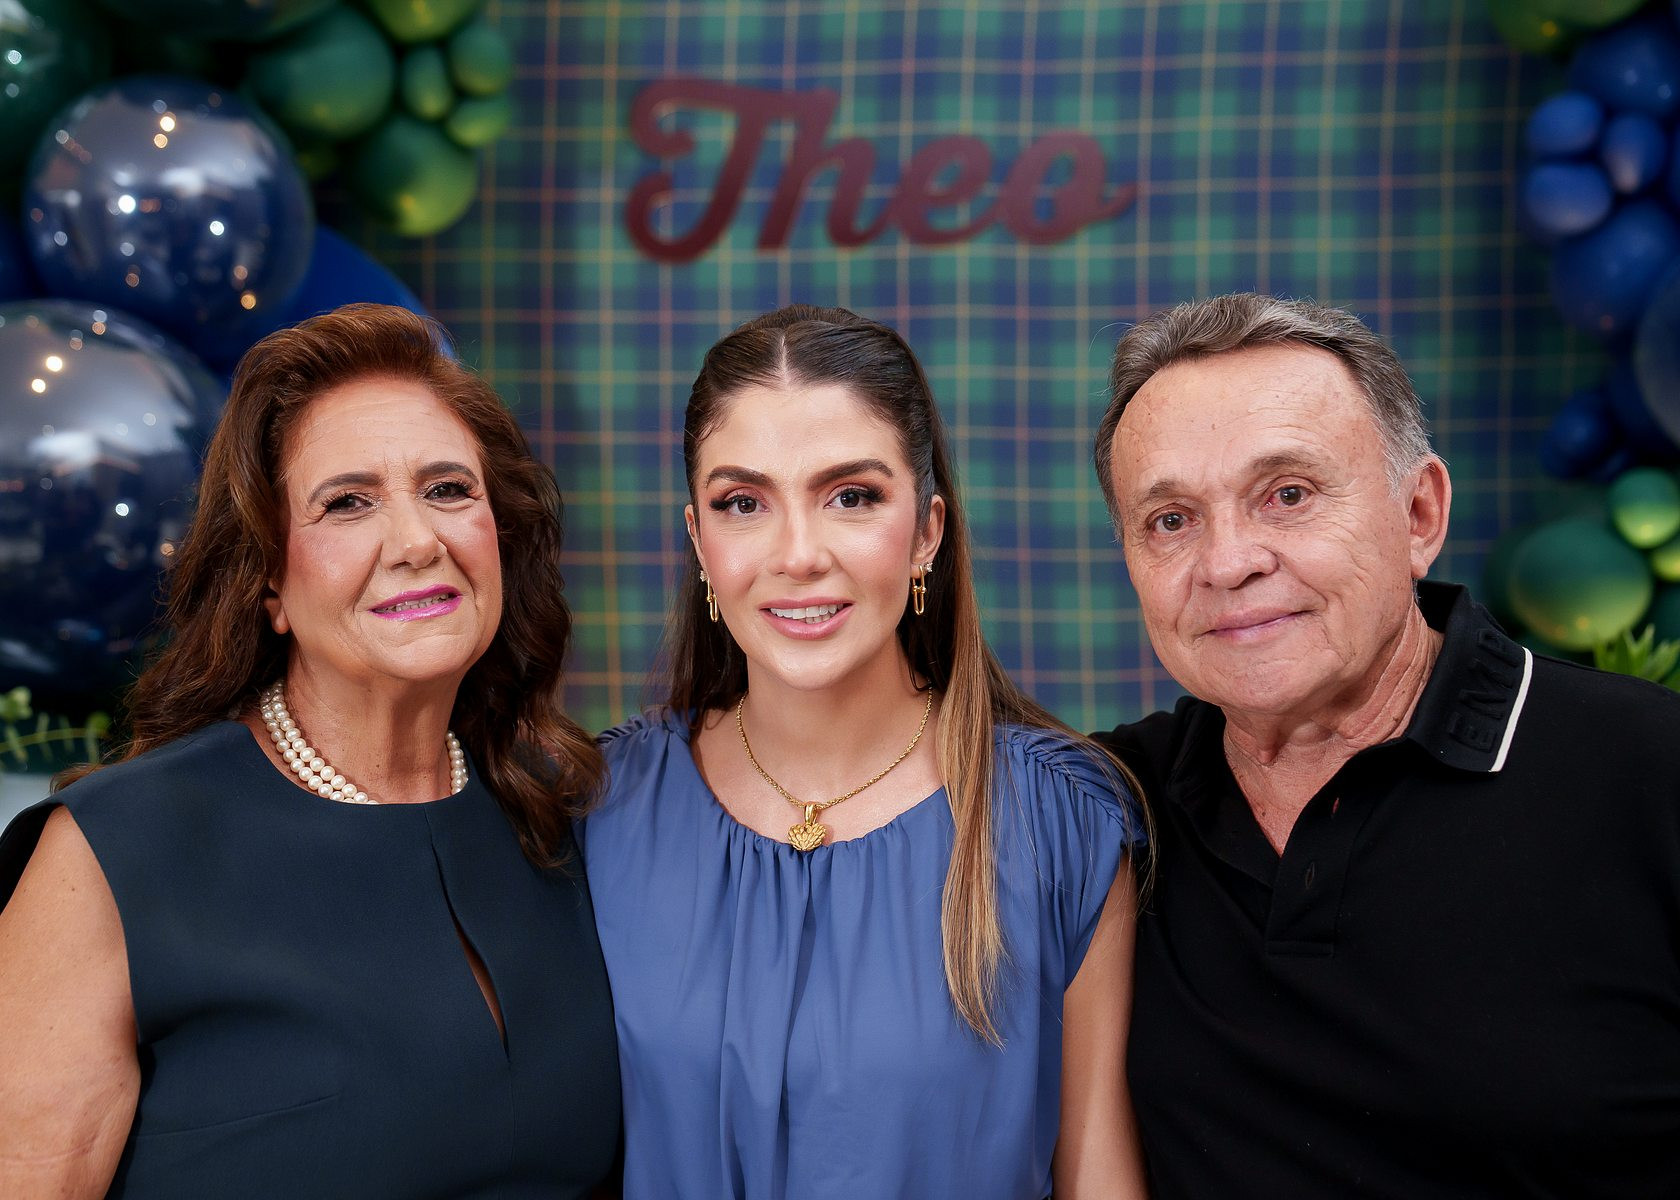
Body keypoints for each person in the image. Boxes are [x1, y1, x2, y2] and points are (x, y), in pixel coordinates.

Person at [0, 304, 621, 1198]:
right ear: (268, 582)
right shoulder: (116, 850)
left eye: (449, 490)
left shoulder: (568, 812)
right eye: (347, 503)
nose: (418, 542)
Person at [1091, 292, 1680, 1198]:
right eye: (1171, 520)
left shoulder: (1649, 770)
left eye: (1288, 495)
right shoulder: (1106, 810)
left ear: (1419, 515)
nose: (1229, 562)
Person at [578, 304, 1149, 1199]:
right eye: (743, 504)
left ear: (927, 531)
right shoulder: (601, 809)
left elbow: (1098, 1174)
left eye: (851, 496)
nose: (799, 555)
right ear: (699, 541)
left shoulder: (1062, 825)